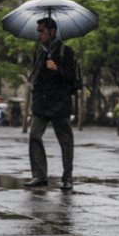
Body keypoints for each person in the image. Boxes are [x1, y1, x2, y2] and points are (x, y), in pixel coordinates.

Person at [23, 17, 77, 191]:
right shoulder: (38, 53)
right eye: (38, 31)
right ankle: (39, 175)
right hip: (41, 104)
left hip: (60, 104)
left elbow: (74, 82)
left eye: (42, 31)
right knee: (34, 136)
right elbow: (35, 79)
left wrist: (57, 69)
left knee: (66, 141)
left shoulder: (66, 52)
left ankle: (67, 177)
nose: (39, 34)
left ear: (52, 31)